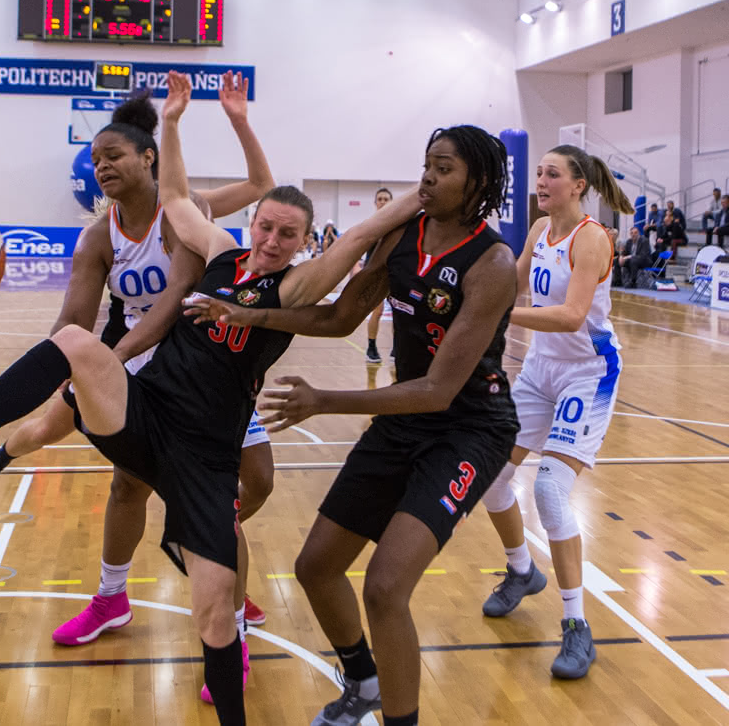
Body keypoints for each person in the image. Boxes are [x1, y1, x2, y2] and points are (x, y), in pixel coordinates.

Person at [0, 72, 421, 725]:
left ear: (305, 242)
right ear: (252, 224)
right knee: (80, 347)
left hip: (205, 452)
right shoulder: (220, 249)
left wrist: (427, 189)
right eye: (267, 227)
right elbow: (174, 195)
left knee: (215, 612)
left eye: (288, 234)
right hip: (148, 407)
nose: (272, 239)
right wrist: (172, 121)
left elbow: (361, 239)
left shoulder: (293, 288)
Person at [0, 77, 280, 684]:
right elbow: (70, 320)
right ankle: (123, 597)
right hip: (144, 370)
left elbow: (191, 278)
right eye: (94, 161)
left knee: (256, 484)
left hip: (206, 365)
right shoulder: (100, 236)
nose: (101, 168)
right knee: (139, 486)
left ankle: (204, 566)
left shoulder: (187, 212)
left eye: (112, 157)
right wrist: (63, 364)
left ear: (148, 157)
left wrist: (235, 119)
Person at [184, 124, 519, 726]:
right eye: (428, 165)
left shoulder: (493, 263)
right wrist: (247, 313)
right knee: (315, 567)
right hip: (404, 420)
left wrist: (323, 401)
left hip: (468, 428)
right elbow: (340, 317)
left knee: (386, 588)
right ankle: (362, 683)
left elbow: (440, 391)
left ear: (480, 182)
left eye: (444, 169)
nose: (428, 178)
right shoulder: (401, 236)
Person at [467, 145, 634, 687]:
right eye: (538, 172)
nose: (541, 180)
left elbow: (571, 316)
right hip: (541, 369)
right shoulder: (540, 230)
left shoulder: (592, 237)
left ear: (578, 185)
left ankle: (576, 623)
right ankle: (522, 570)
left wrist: (494, 315)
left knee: (549, 491)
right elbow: (510, 283)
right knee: (490, 475)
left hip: (588, 372)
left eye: (552, 174)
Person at [364, 188, 394, 363]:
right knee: (377, 311)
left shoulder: (396, 225)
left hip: (394, 273)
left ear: (391, 202)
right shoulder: (371, 224)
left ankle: (397, 348)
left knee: (399, 312)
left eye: (386, 199)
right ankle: (371, 347)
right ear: (375, 203)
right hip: (375, 275)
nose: (382, 202)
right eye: (380, 199)